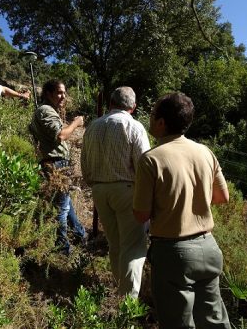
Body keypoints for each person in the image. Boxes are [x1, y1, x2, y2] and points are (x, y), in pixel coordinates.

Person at [133, 92, 230, 328]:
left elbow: (141, 214)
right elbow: (222, 197)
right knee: (214, 321)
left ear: (161, 122)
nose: (150, 118)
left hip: (173, 253)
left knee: (178, 323)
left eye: (153, 114)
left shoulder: (151, 159)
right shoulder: (205, 152)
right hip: (208, 247)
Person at [81, 86, 151, 298]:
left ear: (111, 103)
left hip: (100, 190)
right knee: (133, 246)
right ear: (133, 107)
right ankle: (127, 302)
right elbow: (145, 165)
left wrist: (94, 184)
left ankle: (119, 288)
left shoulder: (93, 126)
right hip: (128, 190)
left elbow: (84, 163)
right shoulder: (134, 126)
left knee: (115, 243)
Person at [29, 79, 86, 255]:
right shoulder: (45, 110)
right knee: (61, 208)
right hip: (56, 163)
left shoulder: (49, 111)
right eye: (59, 93)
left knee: (65, 202)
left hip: (56, 161)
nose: (63, 96)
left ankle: (79, 234)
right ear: (48, 93)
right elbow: (60, 135)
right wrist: (76, 123)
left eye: (64, 93)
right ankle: (63, 248)